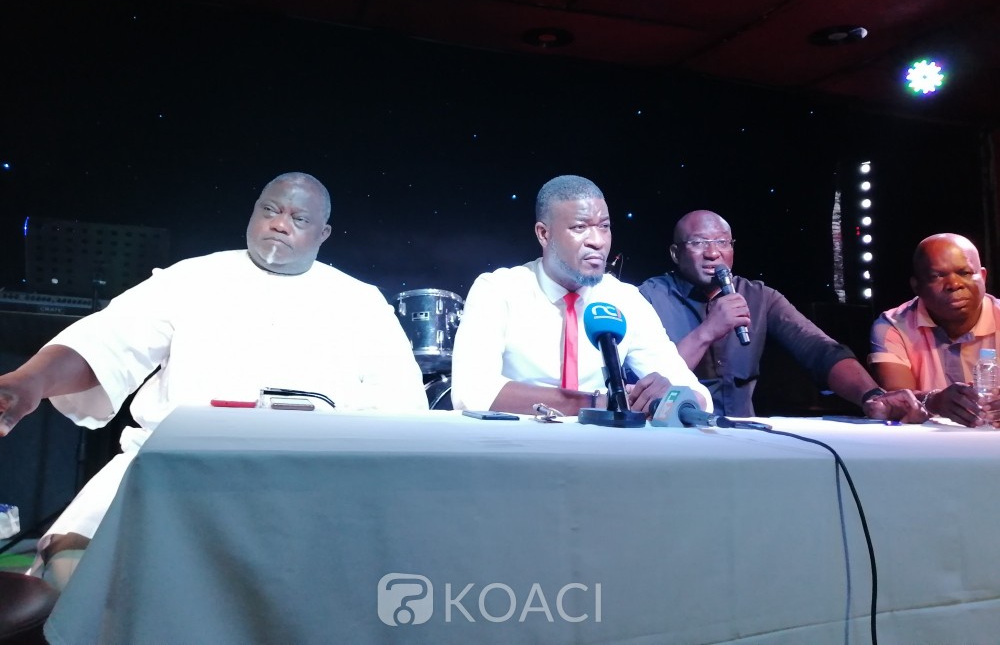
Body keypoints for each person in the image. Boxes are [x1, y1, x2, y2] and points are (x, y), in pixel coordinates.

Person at [0, 172, 427, 588]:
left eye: (299, 219)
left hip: (315, 484)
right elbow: (107, 343)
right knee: (70, 574)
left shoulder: (361, 303)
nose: (281, 224)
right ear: (253, 213)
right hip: (169, 470)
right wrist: (30, 380)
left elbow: (401, 411)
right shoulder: (191, 279)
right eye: (271, 210)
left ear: (323, 233)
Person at [450, 175, 711, 416]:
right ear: (544, 234)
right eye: (579, 227)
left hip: (602, 448)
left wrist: (670, 396)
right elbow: (471, 393)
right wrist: (597, 403)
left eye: (604, 226)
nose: (598, 241)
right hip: (515, 445)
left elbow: (700, 399)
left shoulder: (627, 300)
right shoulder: (498, 290)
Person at [638, 209, 923, 421]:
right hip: (676, 436)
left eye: (723, 242)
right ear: (675, 253)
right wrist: (708, 331)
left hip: (741, 435)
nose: (713, 253)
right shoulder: (648, 297)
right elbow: (647, 380)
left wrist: (872, 396)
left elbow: (819, 350)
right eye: (699, 243)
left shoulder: (759, 297)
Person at [870, 232, 1000, 427]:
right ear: (917, 286)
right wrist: (933, 400)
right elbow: (897, 400)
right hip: (926, 443)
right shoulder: (893, 326)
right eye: (937, 276)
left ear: (982, 276)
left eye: (964, 273)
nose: (954, 284)